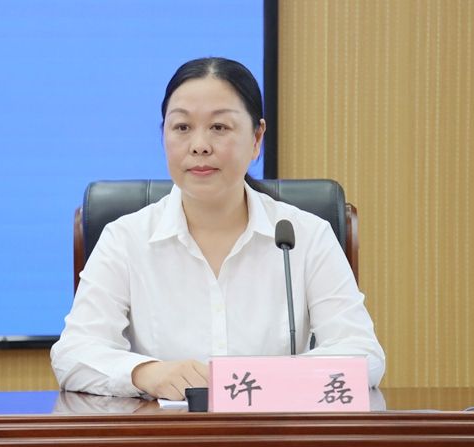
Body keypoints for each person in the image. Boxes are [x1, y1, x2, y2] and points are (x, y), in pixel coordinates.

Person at [51, 57, 385, 400]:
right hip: (165, 428)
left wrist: (258, 381)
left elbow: (363, 353)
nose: (199, 145)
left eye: (219, 127)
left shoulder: (305, 236)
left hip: (272, 427)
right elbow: (73, 353)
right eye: (182, 127)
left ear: (257, 138)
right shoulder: (125, 239)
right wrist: (146, 373)